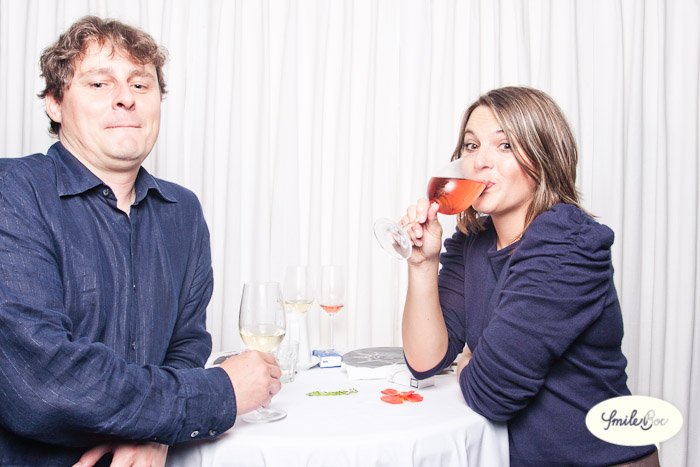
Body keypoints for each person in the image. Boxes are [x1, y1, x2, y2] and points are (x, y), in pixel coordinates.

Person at [0, 16, 281, 466]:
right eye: (99, 84)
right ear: (55, 103)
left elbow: (186, 345)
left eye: (140, 84)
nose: (125, 98)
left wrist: (156, 429)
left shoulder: (183, 211)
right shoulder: (13, 194)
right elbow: (43, 381)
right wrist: (218, 393)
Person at [400, 86, 659, 466]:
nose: (480, 161)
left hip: (599, 460)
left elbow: (490, 394)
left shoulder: (568, 242)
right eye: (471, 146)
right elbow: (425, 361)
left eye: (504, 145)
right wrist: (422, 265)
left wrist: (471, 362)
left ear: (544, 157)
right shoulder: (473, 240)